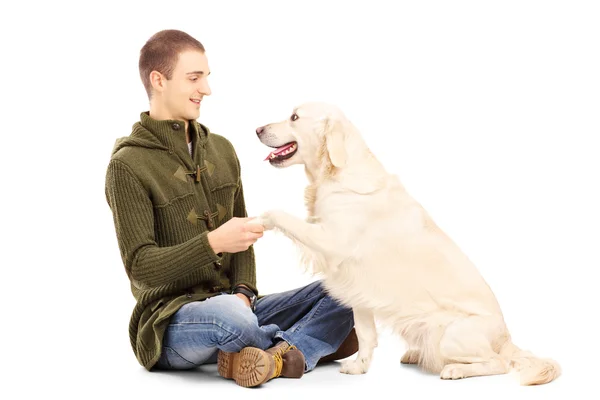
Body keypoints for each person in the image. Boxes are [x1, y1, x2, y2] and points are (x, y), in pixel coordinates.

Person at [104, 29, 357, 388]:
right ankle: (308, 342)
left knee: (354, 287)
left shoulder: (221, 150)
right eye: (194, 78)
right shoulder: (128, 165)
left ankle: (277, 354)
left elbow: (243, 239)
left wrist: (243, 292)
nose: (206, 89)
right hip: (172, 323)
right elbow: (141, 268)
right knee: (231, 319)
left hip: (239, 306)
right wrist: (212, 243)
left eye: (206, 77)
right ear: (158, 80)